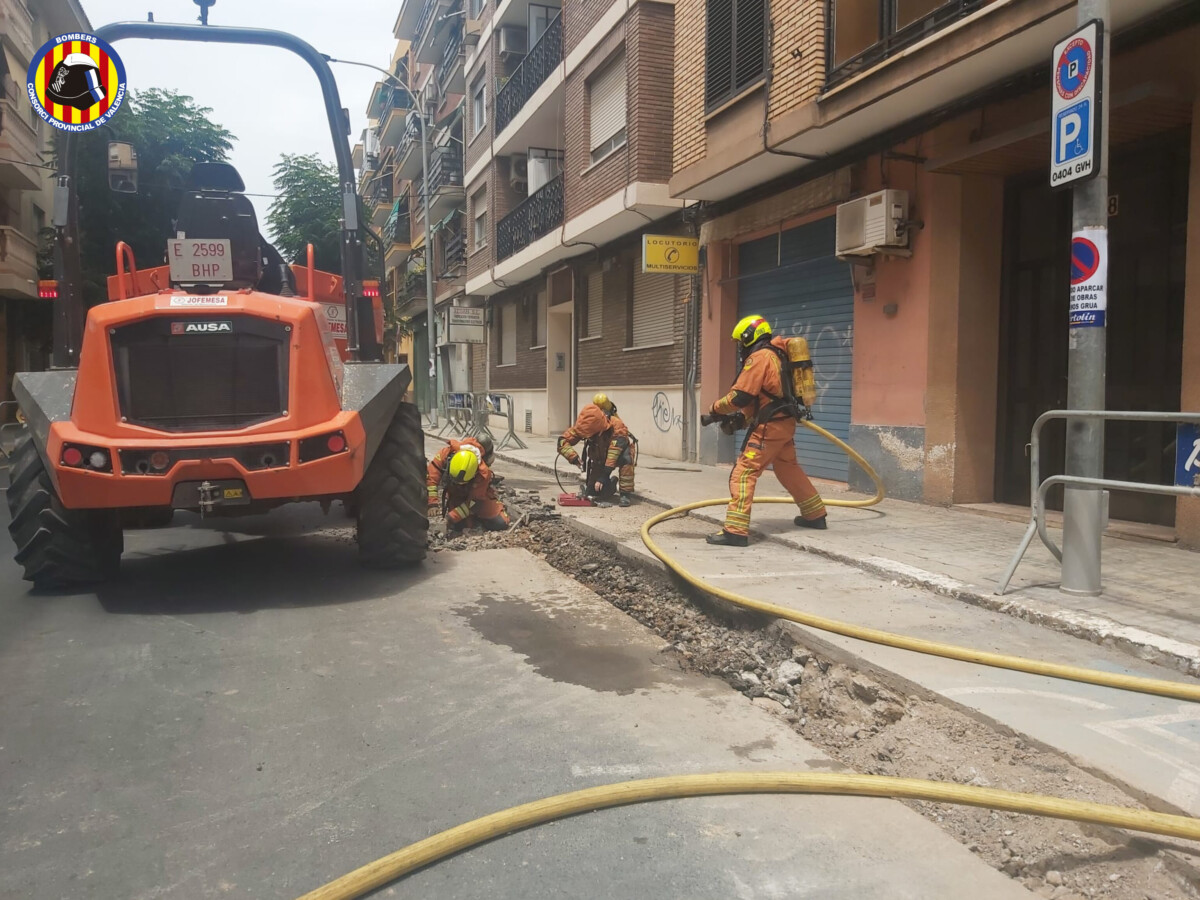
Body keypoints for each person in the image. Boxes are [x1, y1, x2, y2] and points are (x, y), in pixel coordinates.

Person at [703, 315, 827, 547]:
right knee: (787, 468)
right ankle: (815, 514)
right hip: (784, 423)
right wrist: (741, 419)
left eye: (741, 341)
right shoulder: (779, 355)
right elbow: (765, 396)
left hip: (769, 427)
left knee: (743, 473)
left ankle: (735, 531)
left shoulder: (759, 358)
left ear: (750, 337)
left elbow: (740, 396)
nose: (740, 347)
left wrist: (714, 408)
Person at [558, 393, 636, 506]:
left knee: (626, 460)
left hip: (618, 454)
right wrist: (573, 457)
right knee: (593, 491)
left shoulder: (617, 426)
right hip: (599, 457)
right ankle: (611, 486)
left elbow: (613, 455)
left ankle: (625, 494)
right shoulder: (586, 423)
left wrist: (603, 476)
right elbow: (562, 442)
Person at [426, 435, 509, 533]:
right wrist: (432, 503)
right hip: (455, 494)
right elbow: (431, 477)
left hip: (478, 497)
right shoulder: (445, 453)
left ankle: (492, 511)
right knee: (460, 526)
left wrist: (450, 518)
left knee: (500, 523)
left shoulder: (483, 474)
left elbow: (474, 502)